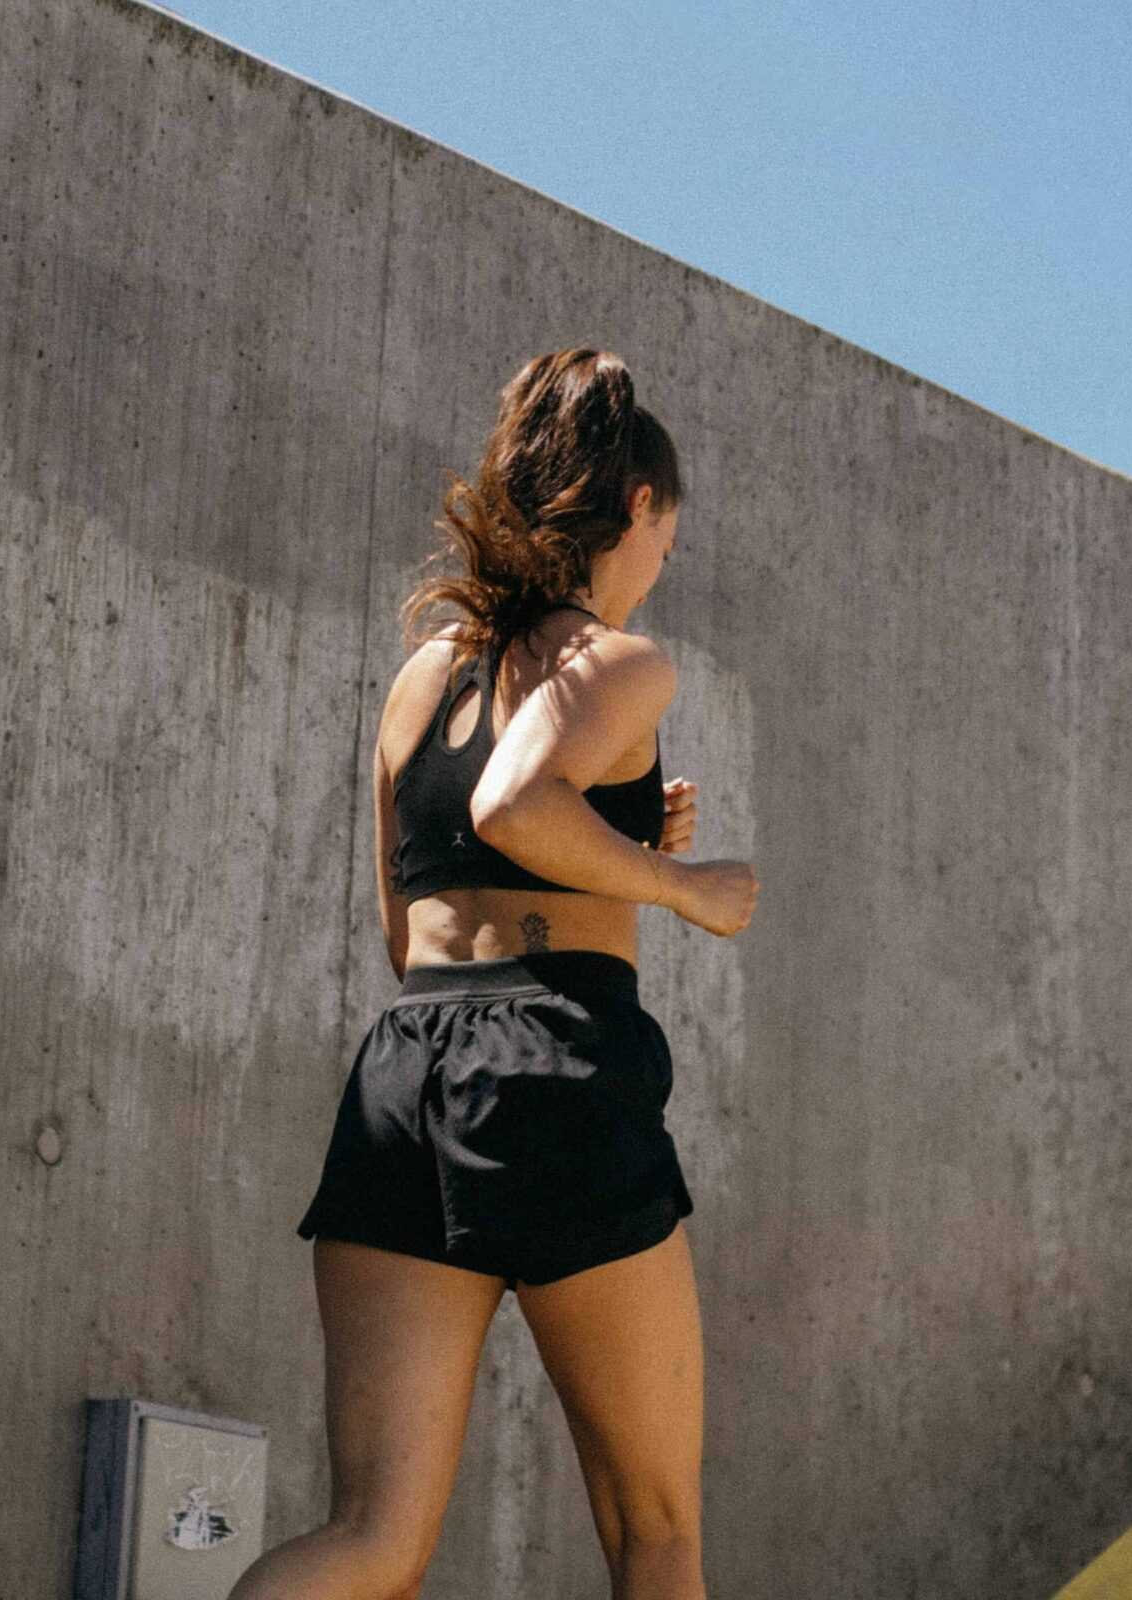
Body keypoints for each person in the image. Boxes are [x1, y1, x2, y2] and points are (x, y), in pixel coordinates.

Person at [228, 349, 760, 1600]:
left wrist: (620, 851)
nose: (660, 565)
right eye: (666, 537)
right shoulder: (624, 664)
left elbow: (408, 912)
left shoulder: (423, 677)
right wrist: (686, 889)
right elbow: (517, 800)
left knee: (371, 1539)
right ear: (636, 508)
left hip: (406, 1071)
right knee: (655, 1528)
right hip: (557, 1068)